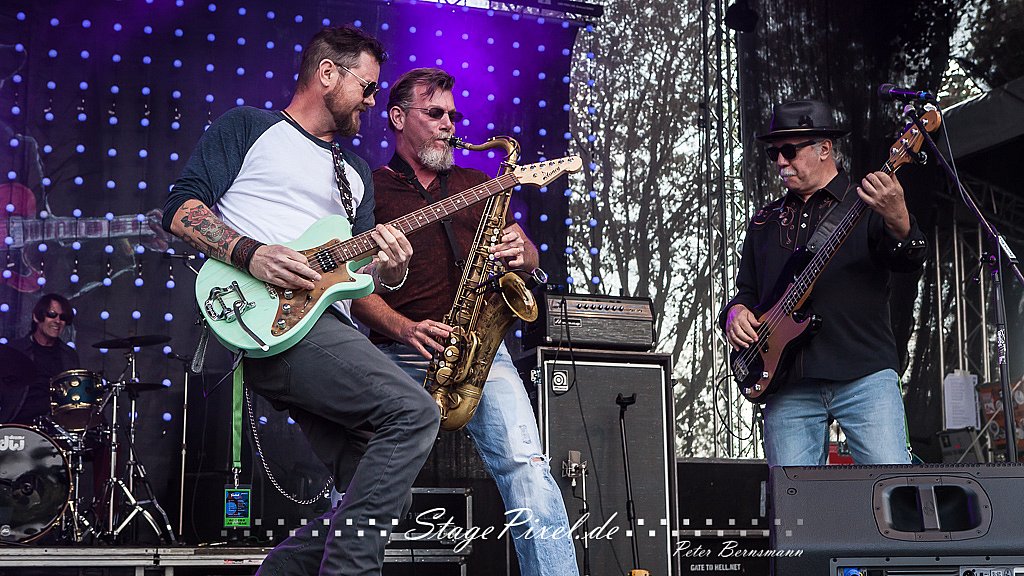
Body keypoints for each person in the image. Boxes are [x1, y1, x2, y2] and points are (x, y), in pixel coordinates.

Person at [162, 26, 440, 576]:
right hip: (271, 320)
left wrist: (390, 271)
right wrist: (251, 254)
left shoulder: (354, 174)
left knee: (386, 493)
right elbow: (180, 209)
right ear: (328, 73)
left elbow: (358, 279)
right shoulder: (249, 126)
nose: (371, 101)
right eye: (367, 86)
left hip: (326, 328)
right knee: (414, 413)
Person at [350, 68, 580, 575]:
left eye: (453, 116)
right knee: (362, 478)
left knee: (527, 469)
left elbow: (530, 255)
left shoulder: (480, 184)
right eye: (435, 113)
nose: (449, 125)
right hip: (398, 351)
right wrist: (405, 328)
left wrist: (525, 253)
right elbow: (350, 291)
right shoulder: (369, 190)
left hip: (481, 348)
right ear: (397, 118)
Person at [720, 100, 927, 467]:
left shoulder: (868, 203)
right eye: (773, 153)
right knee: (793, 498)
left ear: (825, 148)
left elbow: (908, 261)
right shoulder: (765, 221)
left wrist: (899, 218)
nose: (780, 161)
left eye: (789, 151)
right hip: (788, 382)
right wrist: (735, 313)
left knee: (893, 486)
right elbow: (747, 292)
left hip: (864, 373)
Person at [5, 293, 80, 425]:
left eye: (63, 317)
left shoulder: (69, 355)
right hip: (17, 424)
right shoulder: (14, 350)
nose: (58, 321)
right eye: (52, 314)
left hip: (55, 427)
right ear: (36, 317)